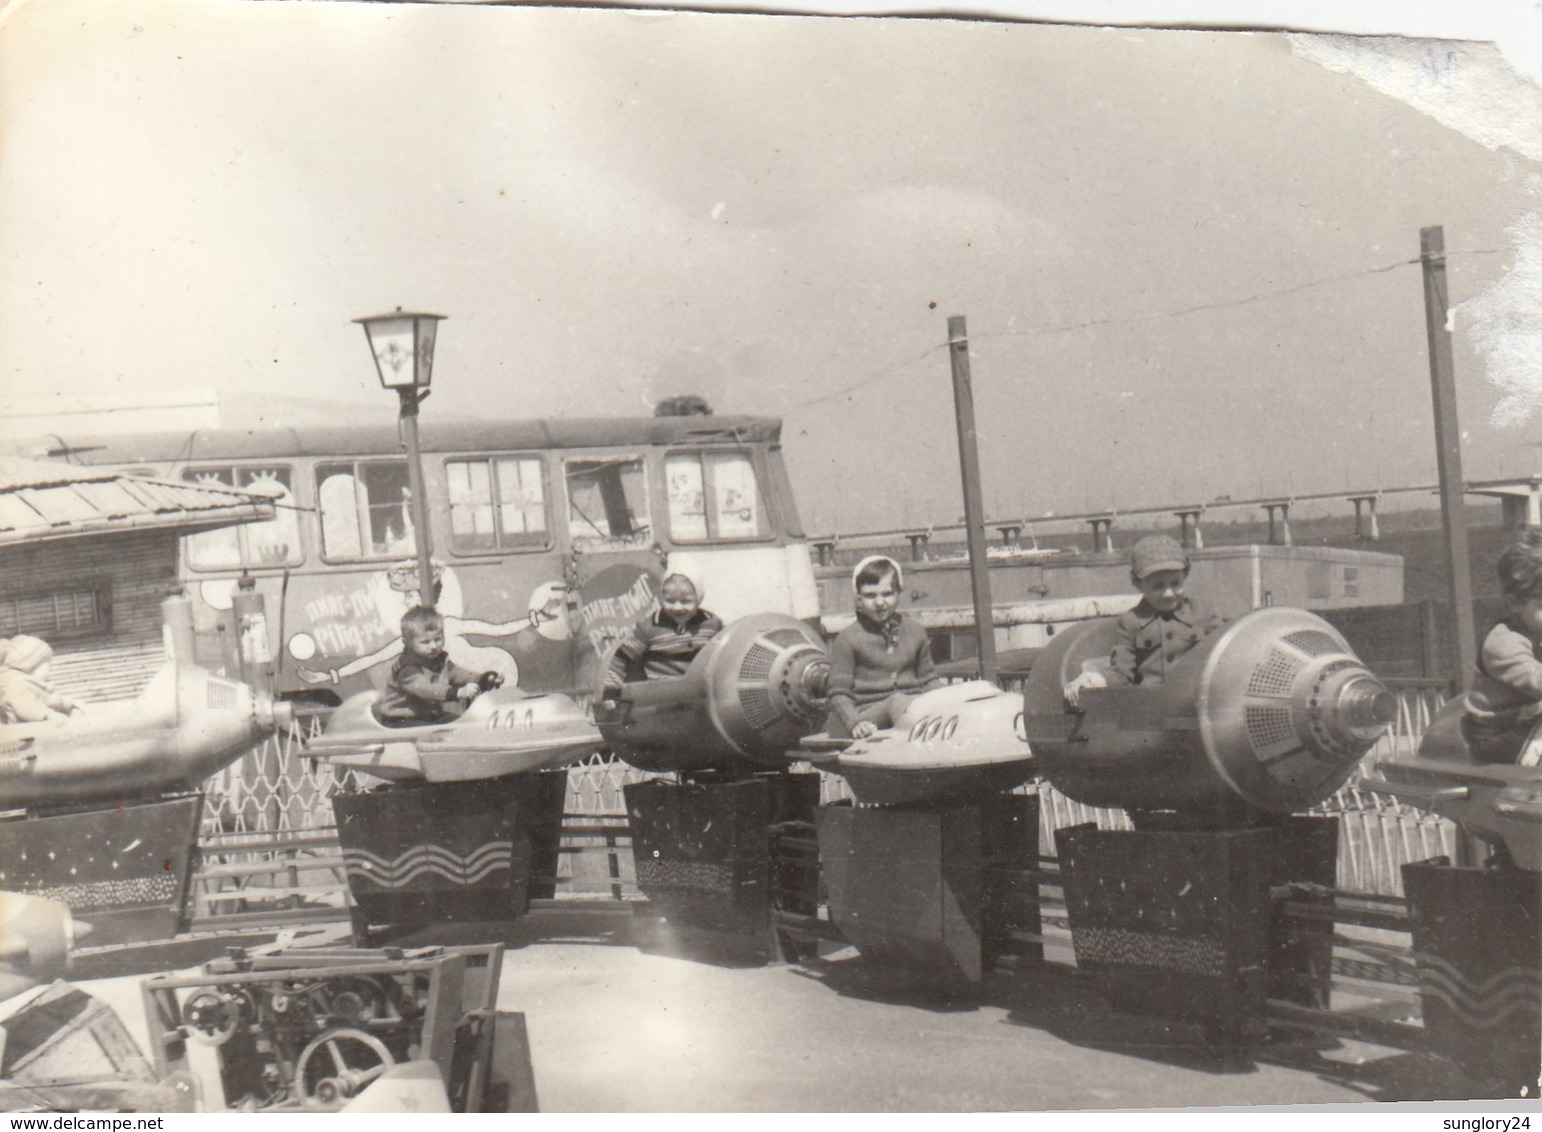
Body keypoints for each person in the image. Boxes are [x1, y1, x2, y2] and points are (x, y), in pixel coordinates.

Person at [1065, 534, 1224, 706]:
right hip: (1150, 709)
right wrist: (1092, 679)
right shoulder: (1131, 622)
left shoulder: (1204, 613)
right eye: (1158, 586)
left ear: (1185, 575)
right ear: (1138, 584)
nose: (1168, 593)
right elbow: (1122, 672)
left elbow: (1224, 657)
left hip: (1197, 705)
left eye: (1175, 583)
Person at [827, 554, 944, 740]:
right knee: (897, 701)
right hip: (869, 715)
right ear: (858, 598)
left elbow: (928, 679)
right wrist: (855, 722)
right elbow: (838, 693)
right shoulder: (848, 639)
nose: (879, 602)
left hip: (912, 708)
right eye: (870, 595)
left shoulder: (915, 631)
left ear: (899, 593)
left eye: (887, 594)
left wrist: (946, 700)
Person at [1463, 529, 1542, 765]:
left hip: (1524, 719)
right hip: (1494, 735)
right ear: (1514, 602)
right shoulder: (1503, 643)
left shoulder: (1535, 628)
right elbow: (1536, 680)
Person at [603, 555, 722, 696]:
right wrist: (611, 691)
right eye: (670, 601)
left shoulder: (711, 625)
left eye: (685, 601)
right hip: (661, 696)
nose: (677, 607)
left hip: (699, 696)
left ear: (699, 599)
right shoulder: (650, 627)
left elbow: (727, 655)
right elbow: (622, 657)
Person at [376, 606, 502, 725]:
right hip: (401, 718)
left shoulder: (439, 659)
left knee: (457, 722)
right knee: (444, 730)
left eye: (438, 639)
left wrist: (481, 678)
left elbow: (457, 673)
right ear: (407, 643)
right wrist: (457, 693)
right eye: (425, 642)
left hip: (425, 713)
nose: (433, 646)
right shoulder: (407, 669)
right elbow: (426, 690)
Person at [0, 635, 82, 724]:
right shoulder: (15, 687)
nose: (49, 671)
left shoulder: (33, 686)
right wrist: (49, 715)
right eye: (47, 665)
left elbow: (50, 700)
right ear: (30, 665)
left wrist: (68, 703)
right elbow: (26, 707)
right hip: (25, 733)